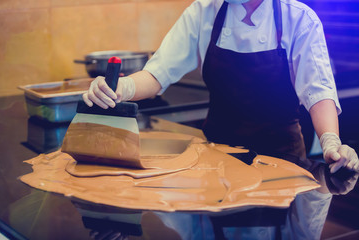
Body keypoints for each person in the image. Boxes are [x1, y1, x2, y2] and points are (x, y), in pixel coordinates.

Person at [83, 0, 359, 173]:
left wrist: (331, 141)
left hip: (283, 161)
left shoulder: (299, 18)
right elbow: (158, 73)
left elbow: (317, 92)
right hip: (215, 159)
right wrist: (121, 88)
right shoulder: (204, 11)